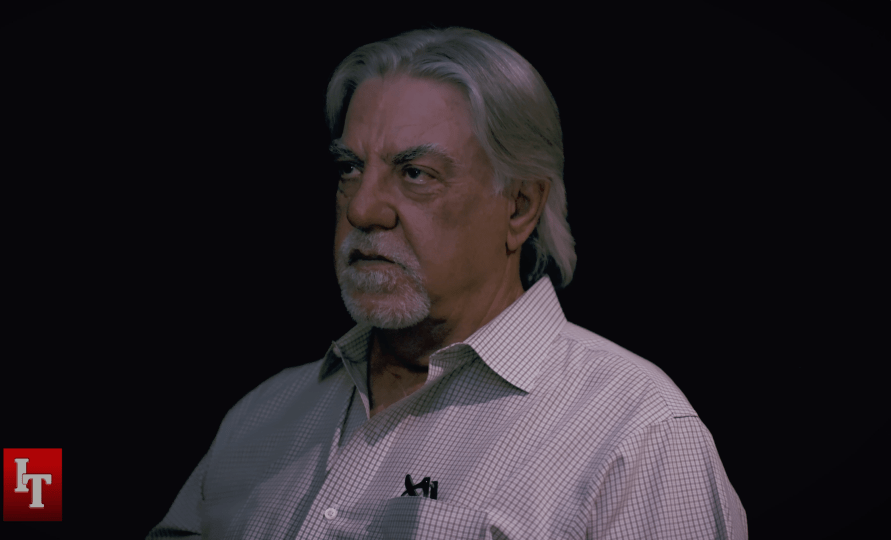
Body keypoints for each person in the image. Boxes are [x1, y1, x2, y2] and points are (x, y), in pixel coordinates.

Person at [147, 27, 746, 539]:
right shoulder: (262, 416)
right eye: (350, 168)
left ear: (520, 207)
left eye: (415, 173)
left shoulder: (635, 435)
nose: (363, 208)